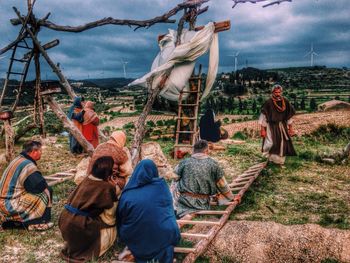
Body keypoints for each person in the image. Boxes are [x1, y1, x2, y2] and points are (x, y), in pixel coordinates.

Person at [117, 159, 180, 263]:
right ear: (154, 171)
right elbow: (169, 210)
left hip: (136, 236)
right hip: (165, 234)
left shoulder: (128, 193)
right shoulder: (161, 186)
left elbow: (121, 217)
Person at [59, 156, 118, 262]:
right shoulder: (107, 187)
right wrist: (115, 187)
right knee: (111, 226)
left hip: (64, 219)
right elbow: (110, 215)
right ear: (108, 172)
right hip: (81, 225)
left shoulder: (86, 179)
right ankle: (91, 247)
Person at [0, 140, 53, 231]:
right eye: (40, 151)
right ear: (34, 152)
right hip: (9, 205)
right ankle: (38, 221)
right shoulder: (28, 165)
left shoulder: (18, 159)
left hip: (3, 202)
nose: (41, 153)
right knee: (46, 191)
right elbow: (39, 187)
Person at [173, 140, 234, 218]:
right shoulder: (213, 164)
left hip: (184, 202)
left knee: (175, 181)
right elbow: (222, 184)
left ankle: (178, 210)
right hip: (202, 203)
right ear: (207, 150)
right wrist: (231, 197)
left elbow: (174, 178)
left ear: (193, 150)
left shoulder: (184, 162)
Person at [259, 84, 296, 165]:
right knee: (270, 143)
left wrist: (290, 128)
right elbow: (263, 117)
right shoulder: (268, 102)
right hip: (271, 126)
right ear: (273, 92)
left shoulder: (285, 101)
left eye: (279, 92)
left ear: (281, 92)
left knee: (282, 143)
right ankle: (270, 159)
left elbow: (289, 116)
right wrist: (262, 130)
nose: (278, 94)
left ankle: (279, 161)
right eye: (276, 92)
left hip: (282, 126)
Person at [87, 131, 132, 195]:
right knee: (128, 177)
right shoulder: (121, 152)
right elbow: (126, 171)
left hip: (90, 178)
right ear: (122, 140)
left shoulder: (99, 146)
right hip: (108, 183)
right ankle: (124, 195)